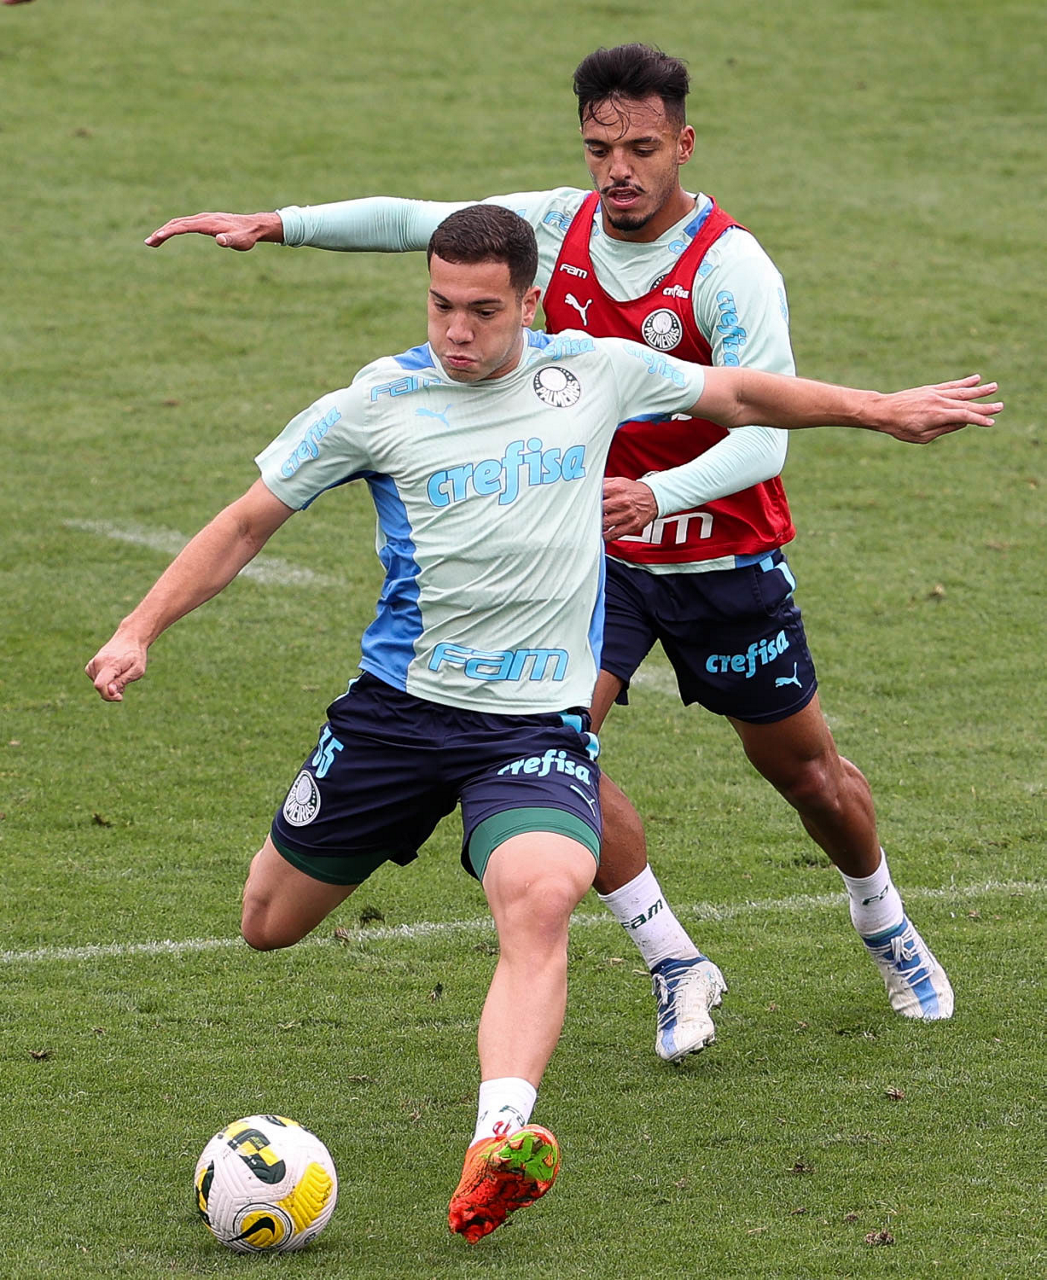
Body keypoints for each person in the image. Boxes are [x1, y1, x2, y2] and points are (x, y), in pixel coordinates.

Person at [88, 207, 997, 1238]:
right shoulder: (374, 403)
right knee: (269, 921)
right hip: (396, 716)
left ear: (529, 302)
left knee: (541, 897)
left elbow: (742, 393)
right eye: (440, 305)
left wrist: (881, 409)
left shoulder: (590, 371)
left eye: (482, 310)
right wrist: (139, 627)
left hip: (531, 727)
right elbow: (247, 521)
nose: (457, 329)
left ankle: (499, 1139)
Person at [147, 44, 969, 1056]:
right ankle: (673, 956)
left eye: (641, 149)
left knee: (808, 777)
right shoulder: (552, 224)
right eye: (598, 148)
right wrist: (277, 224)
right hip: (594, 563)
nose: (618, 169)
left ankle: (882, 919)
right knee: (556, 747)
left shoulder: (730, 267)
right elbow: (416, 220)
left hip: (721, 557)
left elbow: (761, 431)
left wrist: (657, 494)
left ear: (683, 144)